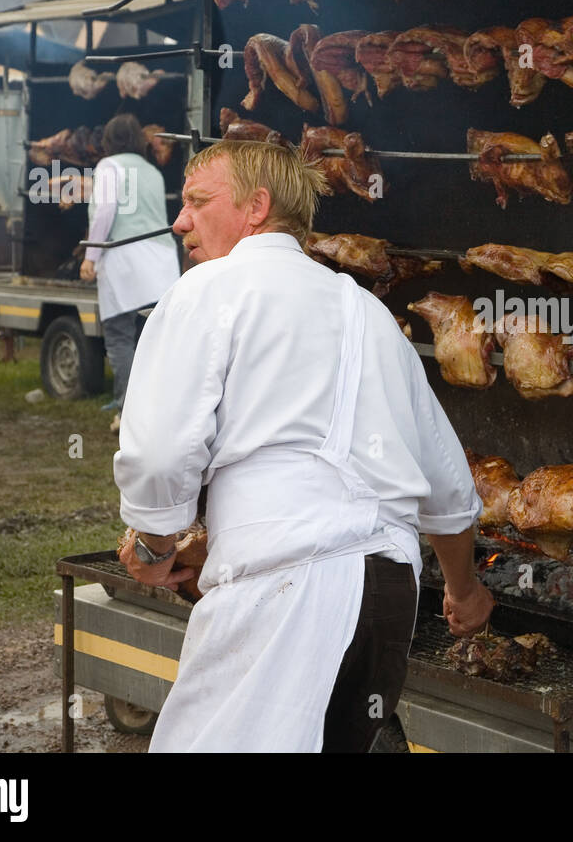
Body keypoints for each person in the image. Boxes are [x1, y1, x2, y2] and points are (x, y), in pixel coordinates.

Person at [114, 139, 494, 752]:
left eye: (197, 201)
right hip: (388, 593)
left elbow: (159, 454)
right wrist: (463, 591)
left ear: (256, 206)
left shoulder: (209, 288)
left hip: (285, 592)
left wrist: (156, 542)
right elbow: (448, 489)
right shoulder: (369, 312)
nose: (180, 221)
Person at [80, 113, 178, 429]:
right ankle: (163, 412)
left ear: (108, 140)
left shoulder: (109, 167)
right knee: (157, 341)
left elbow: (105, 211)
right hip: (162, 262)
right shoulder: (153, 171)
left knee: (120, 338)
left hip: (125, 259)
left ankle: (127, 414)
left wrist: (91, 256)